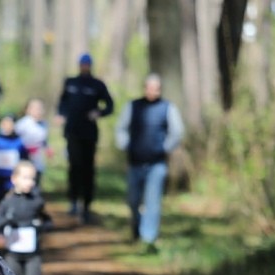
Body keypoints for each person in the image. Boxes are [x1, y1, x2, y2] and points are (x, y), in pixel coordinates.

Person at [114, 73, 185, 253]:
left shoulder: (167, 107)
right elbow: (121, 129)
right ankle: (136, 230)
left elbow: (177, 132)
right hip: (135, 162)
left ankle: (148, 237)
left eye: (157, 88)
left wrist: (164, 148)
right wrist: (126, 146)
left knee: (153, 201)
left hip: (157, 163)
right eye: (150, 87)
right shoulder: (133, 106)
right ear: (145, 88)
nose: (153, 91)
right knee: (133, 200)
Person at [55, 52, 113, 224]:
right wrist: (61, 114)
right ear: (79, 65)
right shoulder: (70, 83)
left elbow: (110, 106)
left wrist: (99, 113)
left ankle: (86, 206)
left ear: (90, 65)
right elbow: (62, 103)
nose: (84, 67)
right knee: (74, 167)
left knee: (88, 170)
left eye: (87, 64)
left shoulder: (97, 85)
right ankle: (73, 201)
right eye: (82, 64)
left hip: (89, 134)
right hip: (72, 132)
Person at [0, 161, 51, 275]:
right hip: (13, 253)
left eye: (32, 178)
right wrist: (5, 224)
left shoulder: (37, 202)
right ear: (14, 179)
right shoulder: (7, 202)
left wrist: (39, 226)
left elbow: (48, 222)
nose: (30, 182)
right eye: (25, 178)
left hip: (33, 253)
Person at [0, 114, 28, 202]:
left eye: (10, 124)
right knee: (0, 197)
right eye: (5, 124)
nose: (8, 126)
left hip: (13, 176)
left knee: (13, 197)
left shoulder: (19, 142)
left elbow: (24, 156)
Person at [15, 98, 51, 184]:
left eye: (39, 108)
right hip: (23, 158)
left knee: (36, 180)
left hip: (38, 158)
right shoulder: (22, 124)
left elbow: (44, 140)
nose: (37, 111)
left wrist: (47, 148)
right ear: (27, 109)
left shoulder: (44, 124)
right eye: (34, 108)